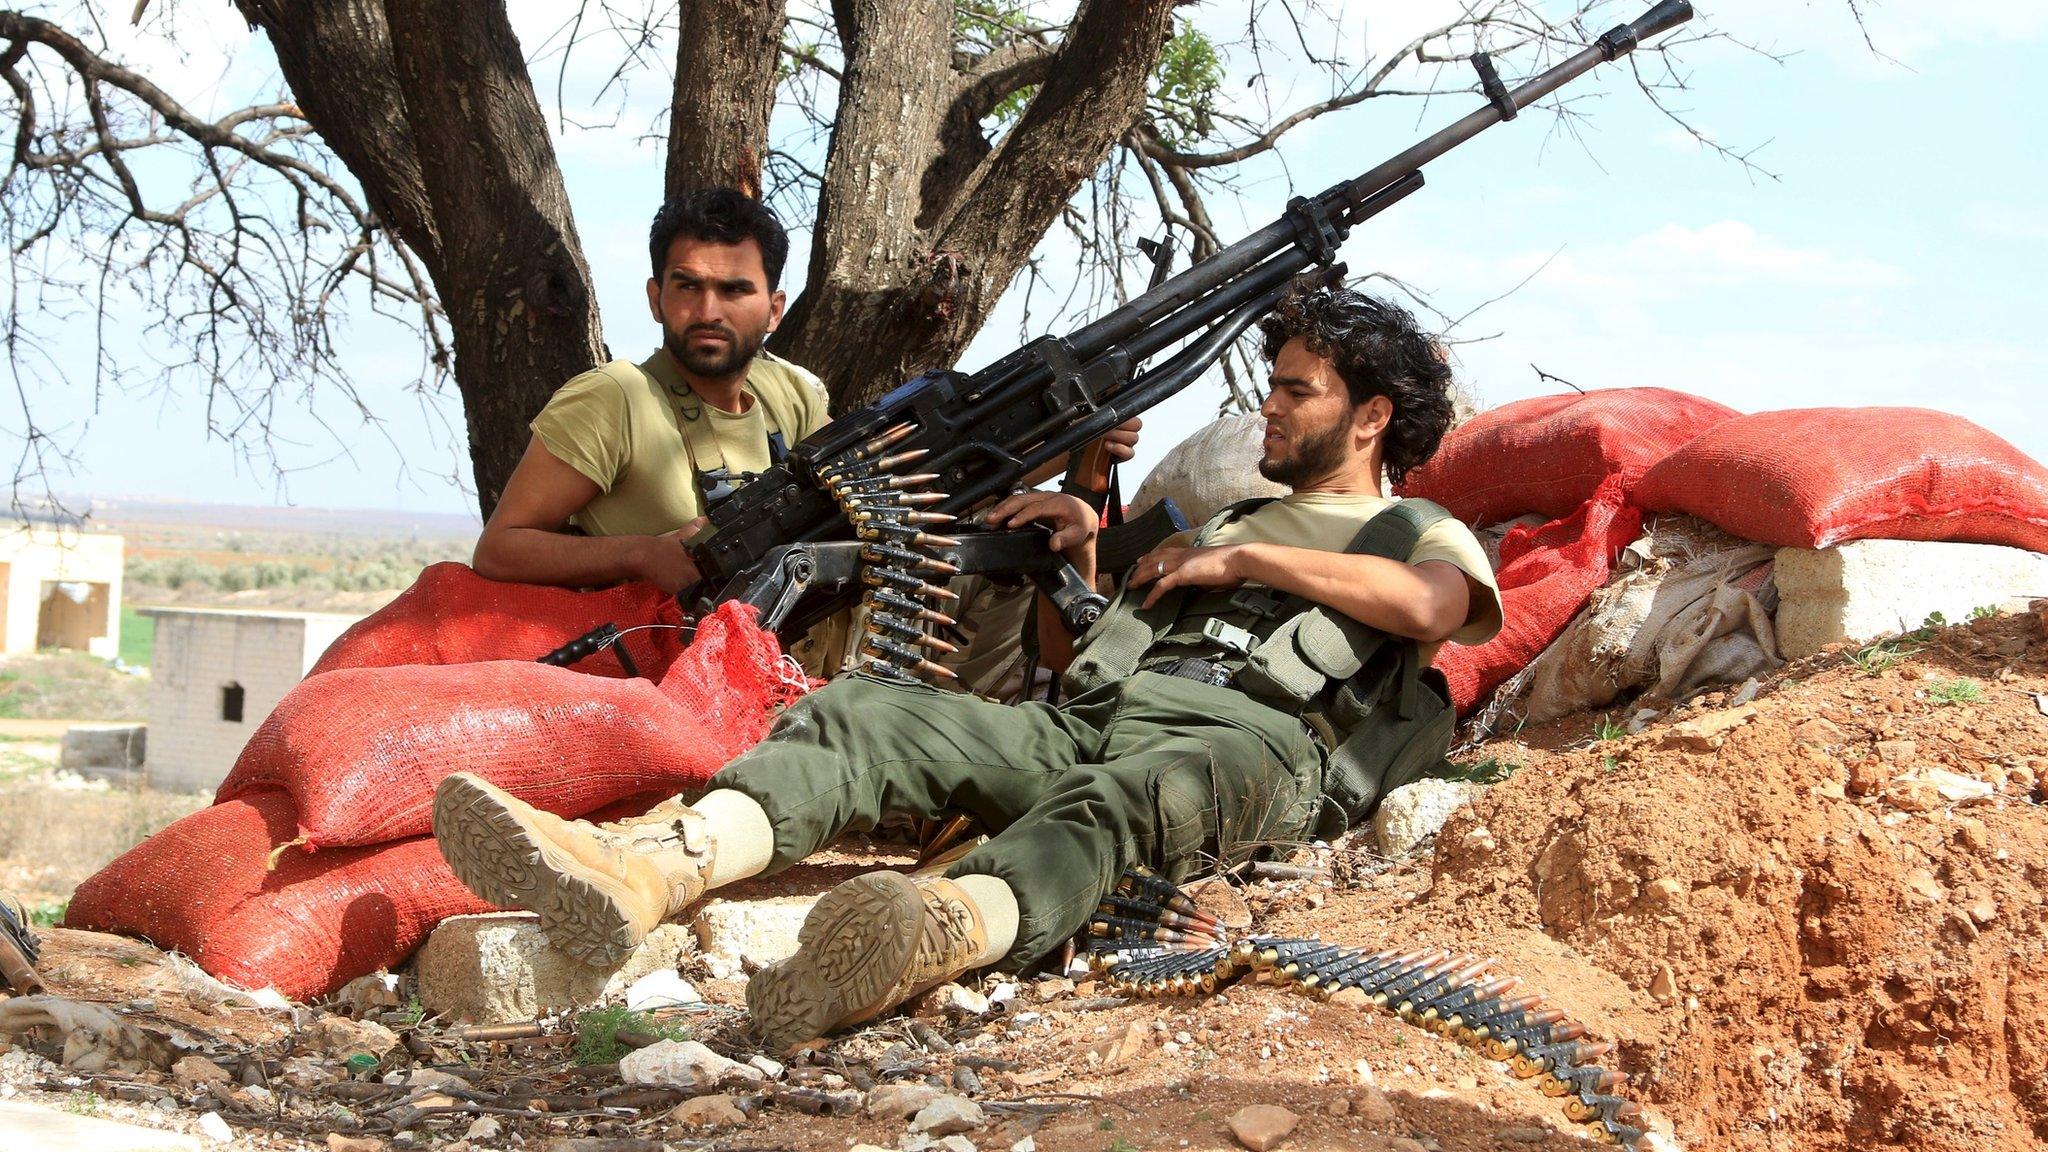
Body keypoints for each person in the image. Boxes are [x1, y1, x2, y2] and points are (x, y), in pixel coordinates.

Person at [430, 275, 1503, 1052]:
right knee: (868, 712)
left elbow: (1431, 609)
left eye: (1297, 389)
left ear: (1368, 418)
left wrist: (1251, 552)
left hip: (1245, 747)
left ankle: (938, 930)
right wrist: (1076, 552)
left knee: (1116, 801)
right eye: (1272, 382)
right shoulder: (1220, 522)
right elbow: (1066, 658)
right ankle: (649, 868)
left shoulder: (1411, 526)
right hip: (1098, 719)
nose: (1268, 401)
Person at [470, 186, 1137, 681]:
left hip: (801, 648)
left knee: (1003, 573)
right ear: (655, 298)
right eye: (687, 287)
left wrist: (1075, 456)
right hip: (674, 666)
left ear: (773, 306)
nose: (708, 311)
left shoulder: (791, 391)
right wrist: (642, 554)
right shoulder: (612, 399)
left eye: (734, 290)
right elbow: (501, 551)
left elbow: (864, 500)